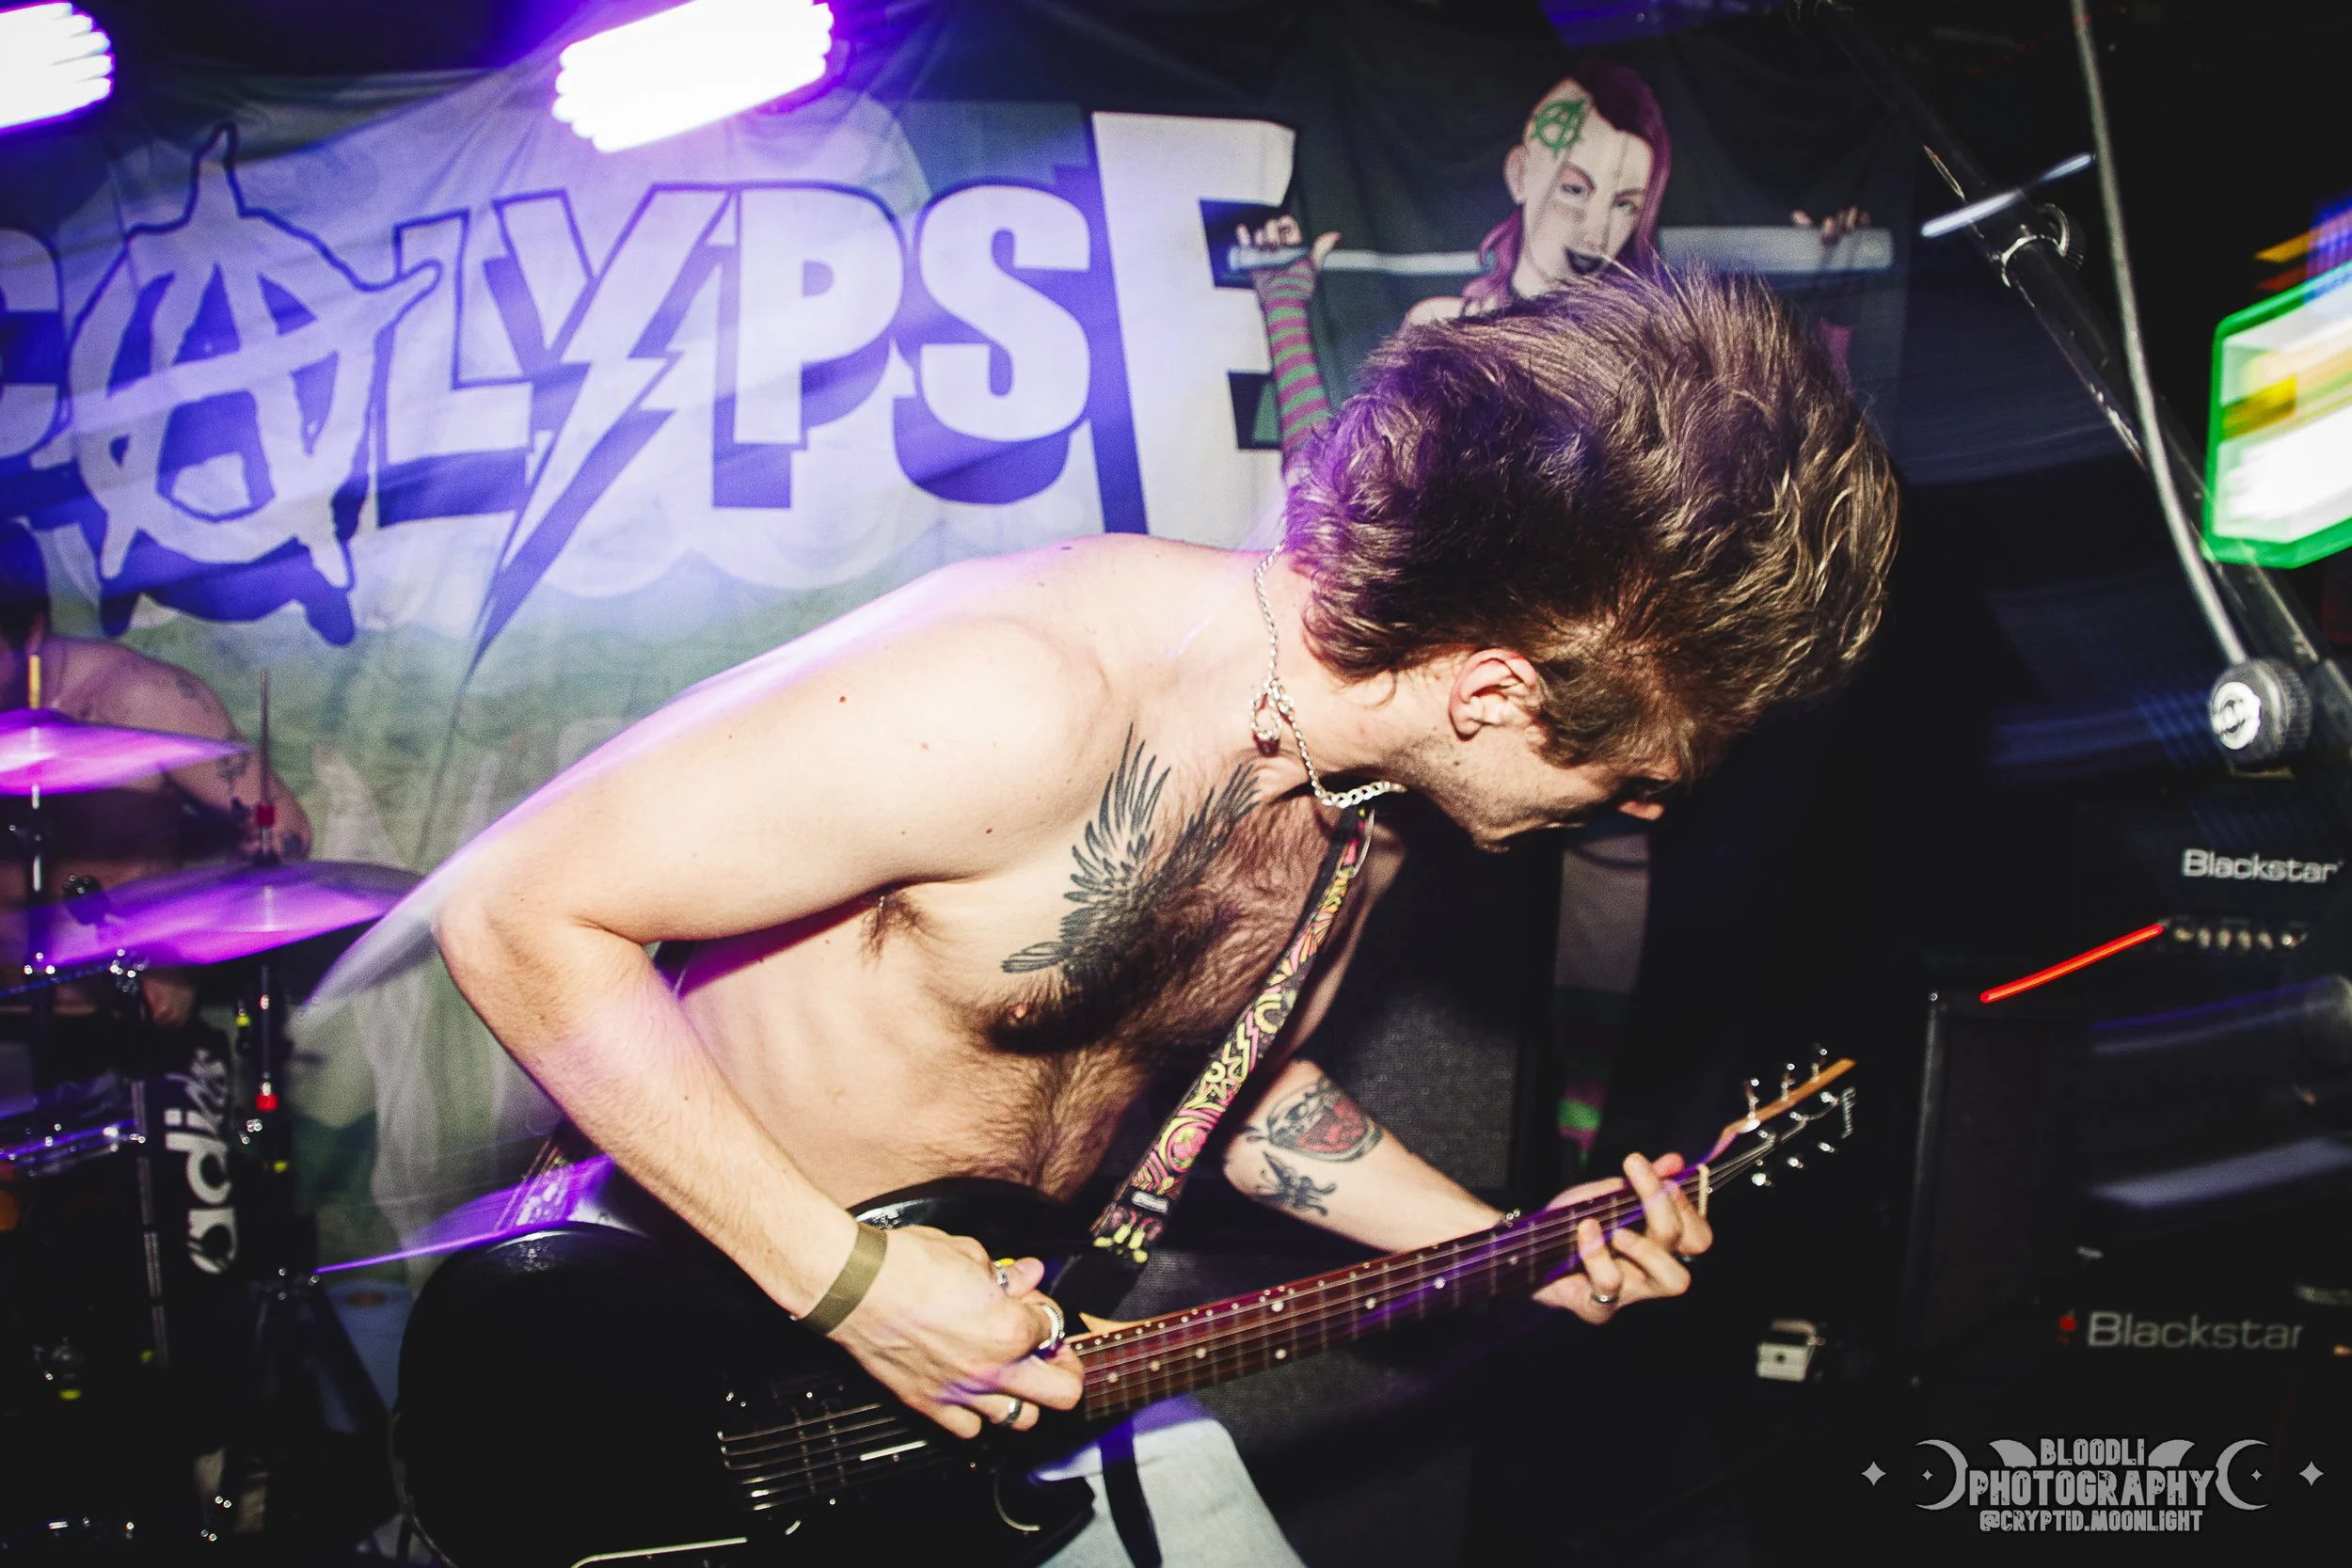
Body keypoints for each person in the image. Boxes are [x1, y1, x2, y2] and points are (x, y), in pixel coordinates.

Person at [431, 270, 1899, 1562]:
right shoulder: (1025, 697)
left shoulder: (1367, 808)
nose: (1642, 813)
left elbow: (1224, 1090)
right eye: (1634, 778)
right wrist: (852, 1286)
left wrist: (1505, 1241)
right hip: (682, 1367)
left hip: (942, 1402)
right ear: (1496, 691)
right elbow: (516, 909)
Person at [1248, 55, 1869, 473]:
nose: (1595, 234)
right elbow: (1322, 500)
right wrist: (1284, 310)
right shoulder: (1442, 330)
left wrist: (1836, 310)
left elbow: (1792, 474)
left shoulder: (1650, 360)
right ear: (1522, 175)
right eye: (1574, 190)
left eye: (1624, 204)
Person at [0, 537, 311, 1027]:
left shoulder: (141, 699)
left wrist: (179, 954)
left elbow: (284, 832)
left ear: (31, 632)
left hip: (121, 1019)